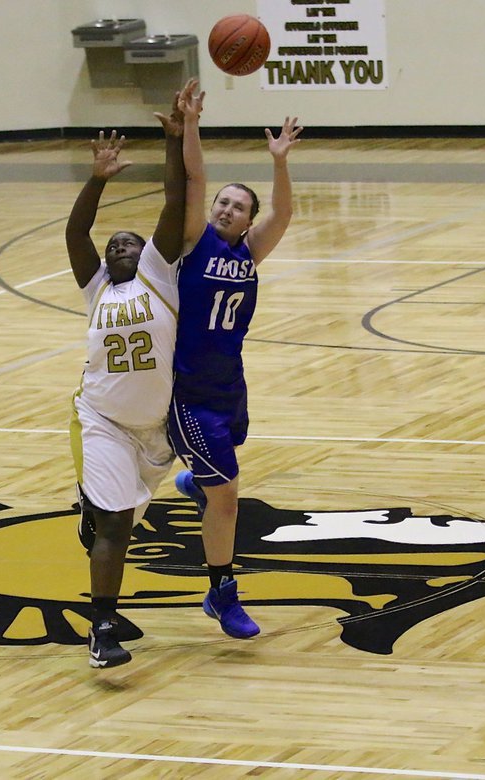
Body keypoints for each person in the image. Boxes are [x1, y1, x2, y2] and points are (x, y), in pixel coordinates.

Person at [169, 80, 302, 639]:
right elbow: (195, 178)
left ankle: (198, 483)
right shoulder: (195, 240)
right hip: (188, 392)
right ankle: (222, 593)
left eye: (237, 206)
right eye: (223, 201)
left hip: (230, 387)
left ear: (248, 221)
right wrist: (192, 125)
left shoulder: (250, 252)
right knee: (228, 495)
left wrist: (279, 162)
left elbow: (286, 211)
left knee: (221, 477)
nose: (226, 208)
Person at [65, 95, 186, 669]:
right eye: (113, 244)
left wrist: (174, 138)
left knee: (118, 521)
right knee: (116, 525)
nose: (118, 246)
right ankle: (102, 626)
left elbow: (175, 200)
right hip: (104, 420)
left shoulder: (160, 279)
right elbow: (76, 230)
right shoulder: (97, 290)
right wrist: (97, 180)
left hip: (156, 432)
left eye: (129, 243)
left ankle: (91, 513)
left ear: (148, 255)